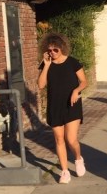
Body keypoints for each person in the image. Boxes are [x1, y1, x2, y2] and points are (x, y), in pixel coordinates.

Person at [37, 32, 88, 184]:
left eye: (55, 50)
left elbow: (84, 81)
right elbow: (40, 85)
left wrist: (76, 91)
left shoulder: (72, 62)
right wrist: (46, 66)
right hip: (55, 106)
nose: (52, 53)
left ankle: (78, 159)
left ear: (62, 48)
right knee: (59, 139)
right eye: (49, 50)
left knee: (71, 139)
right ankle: (65, 172)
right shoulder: (47, 64)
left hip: (72, 105)